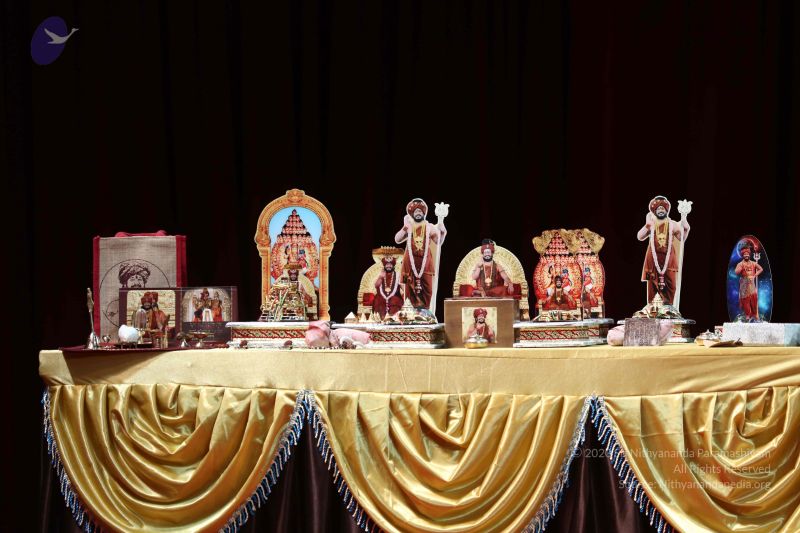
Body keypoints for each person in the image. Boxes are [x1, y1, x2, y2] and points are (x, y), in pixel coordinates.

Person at [637, 196, 690, 305]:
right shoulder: (651, 223)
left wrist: (686, 229)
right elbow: (640, 236)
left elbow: (681, 239)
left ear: (667, 210)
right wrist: (647, 225)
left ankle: (668, 309)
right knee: (652, 286)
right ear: (654, 210)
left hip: (669, 261)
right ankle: (652, 309)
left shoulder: (673, 224)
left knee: (671, 286)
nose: (661, 210)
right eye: (658, 208)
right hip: (652, 261)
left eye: (663, 208)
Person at [395, 198, 446, 309]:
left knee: (428, 290)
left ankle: (425, 313)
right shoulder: (409, 227)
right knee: (407, 288)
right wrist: (405, 227)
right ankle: (409, 312)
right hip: (408, 265)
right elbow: (397, 239)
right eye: (416, 211)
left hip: (425, 264)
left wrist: (442, 232)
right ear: (412, 214)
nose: (418, 213)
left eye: (420, 211)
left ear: (424, 213)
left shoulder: (430, 227)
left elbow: (438, 242)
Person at [734, 243, 763, 321]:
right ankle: (747, 315)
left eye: (747, 254)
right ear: (743, 255)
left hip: (751, 283)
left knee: (754, 299)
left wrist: (755, 275)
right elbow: (736, 272)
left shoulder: (753, 263)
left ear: (749, 255)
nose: (746, 255)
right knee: (745, 300)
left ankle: (755, 315)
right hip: (744, 283)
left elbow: (761, 269)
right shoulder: (740, 264)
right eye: (745, 254)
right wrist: (740, 269)